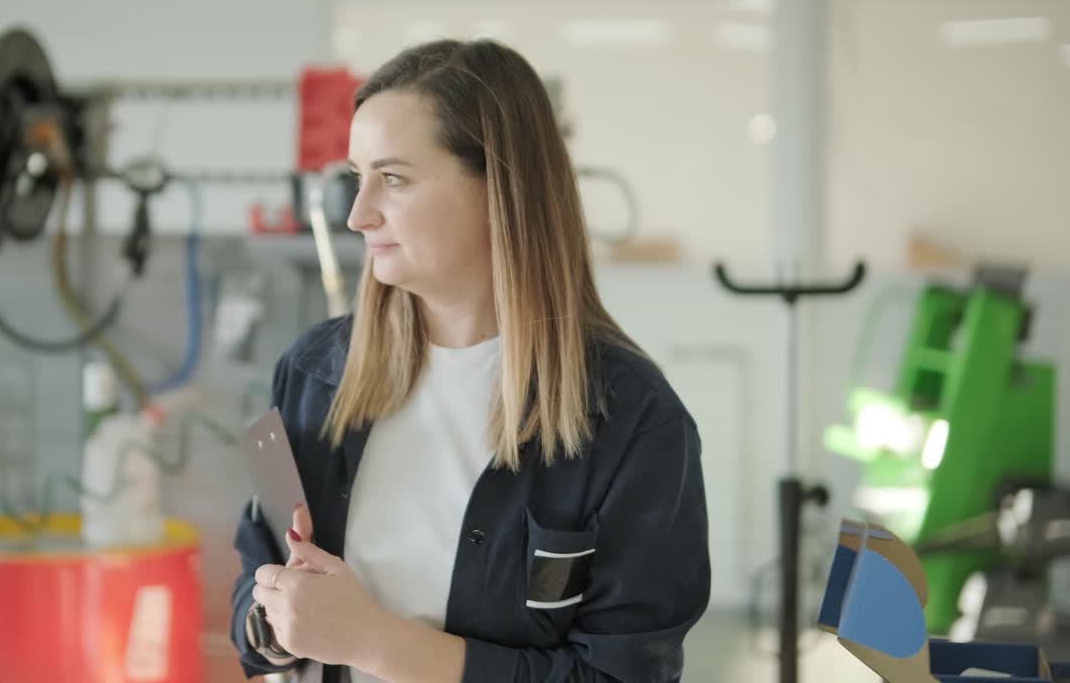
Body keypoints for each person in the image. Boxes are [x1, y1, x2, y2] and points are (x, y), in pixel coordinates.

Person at [229, 38, 710, 683]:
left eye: (393, 178)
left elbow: (621, 676)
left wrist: (372, 640)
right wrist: (276, 630)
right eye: (356, 177)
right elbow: (254, 575)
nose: (357, 215)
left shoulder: (631, 422)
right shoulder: (315, 373)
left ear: (499, 189)